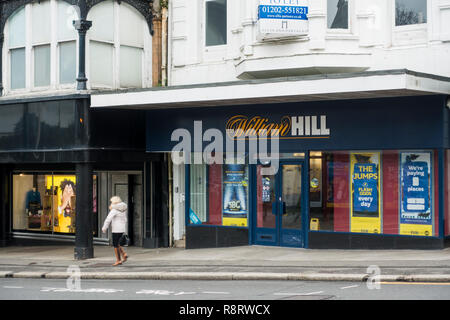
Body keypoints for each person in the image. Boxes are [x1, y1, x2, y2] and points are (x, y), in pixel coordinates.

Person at [102, 196, 128, 266]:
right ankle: (124, 254)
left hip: (116, 229)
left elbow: (108, 219)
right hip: (122, 229)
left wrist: (104, 228)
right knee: (117, 243)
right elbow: (125, 219)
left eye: (111, 202)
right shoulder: (123, 209)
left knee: (115, 245)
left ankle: (118, 260)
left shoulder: (114, 210)